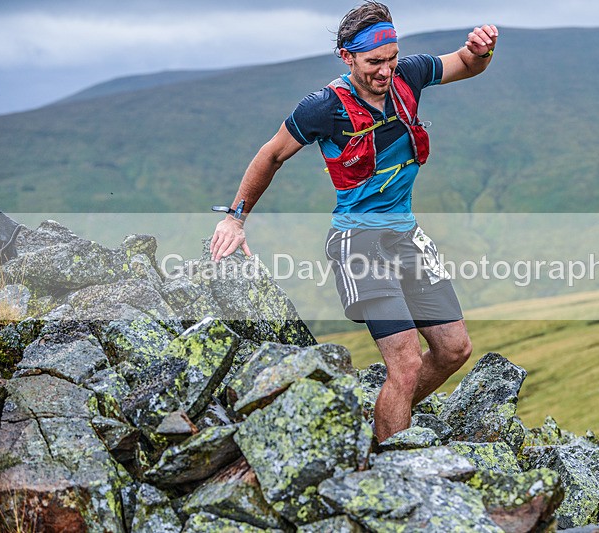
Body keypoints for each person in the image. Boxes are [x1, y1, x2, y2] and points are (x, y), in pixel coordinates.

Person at [210, 1, 498, 443]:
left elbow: (466, 63)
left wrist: (481, 51)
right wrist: (235, 219)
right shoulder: (323, 108)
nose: (385, 71)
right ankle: (391, 462)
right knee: (405, 365)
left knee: (453, 349)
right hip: (358, 243)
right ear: (347, 57)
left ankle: (382, 422)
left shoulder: (409, 74)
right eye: (374, 62)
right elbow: (271, 155)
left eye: (391, 58)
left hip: (406, 236)